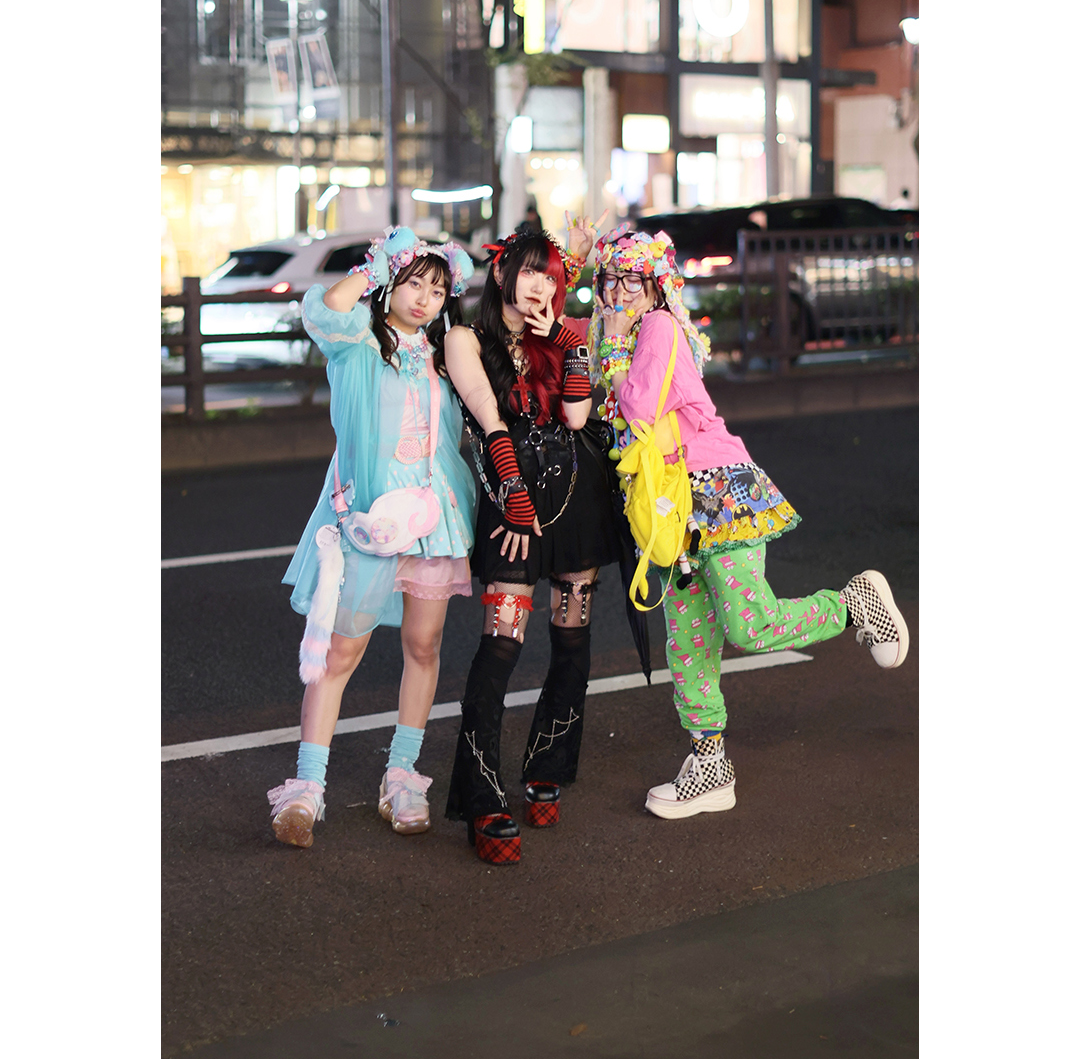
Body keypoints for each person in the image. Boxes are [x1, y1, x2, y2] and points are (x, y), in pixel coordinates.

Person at [586, 228, 909, 820]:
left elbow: (637, 407)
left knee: (748, 624)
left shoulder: (657, 328)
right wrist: (579, 272)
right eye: (611, 280)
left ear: (656, 285)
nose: (621, 291)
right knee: (688, 643)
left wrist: (609, 342)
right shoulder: (625, 333)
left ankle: (853, 603)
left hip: (716, 488)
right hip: (670, 506)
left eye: (633, 279)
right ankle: (710, 768)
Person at [267, 227, 478, 847]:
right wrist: (378, 263)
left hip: (434, 519)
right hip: (369, 518)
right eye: (413, 283)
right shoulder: (359, 341)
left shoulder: (443, 353)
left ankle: (402, 775)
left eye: (436, 289)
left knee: (424, 645)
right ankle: (308, 785)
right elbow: (325, 310)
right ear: (391, 283)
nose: (424, 299)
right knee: (341, 652)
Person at [442, 225, 624, 864]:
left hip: (575, 500)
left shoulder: (561, 336)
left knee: (573, 638)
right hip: (511, 504)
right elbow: (487, 416)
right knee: (501, 644)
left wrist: (568, 342)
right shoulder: (466, 338)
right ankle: (482, 797)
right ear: (500, 274)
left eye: (550, 275)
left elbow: (575, 418)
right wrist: (514, 500)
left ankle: (548, 766)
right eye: (528, 271)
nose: (540, 286)